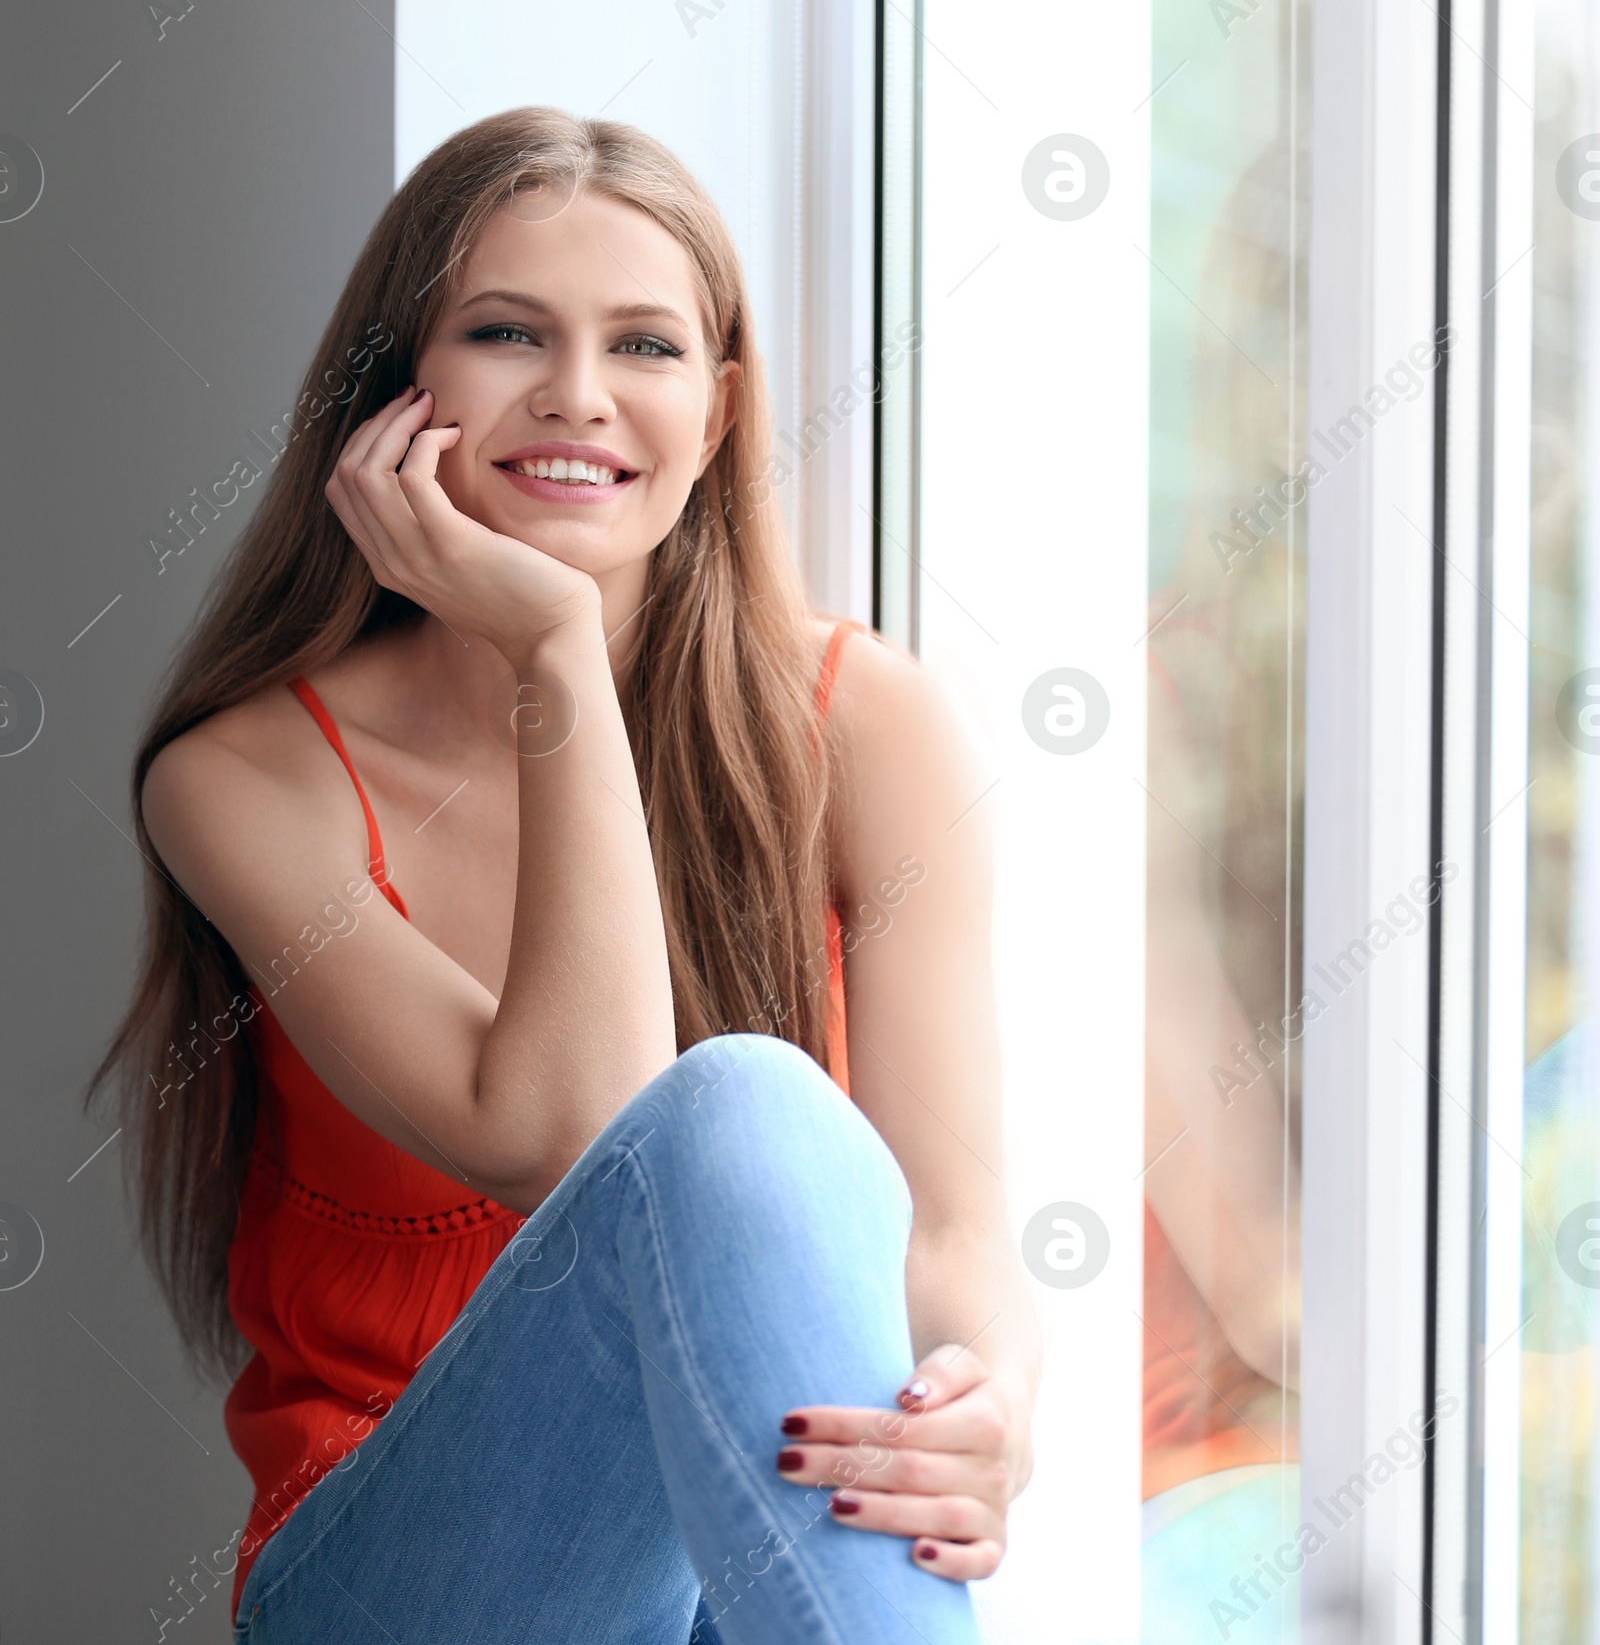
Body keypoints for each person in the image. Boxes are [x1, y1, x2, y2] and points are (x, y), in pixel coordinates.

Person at [90, 109, 1039, 1642]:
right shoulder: (246, 778)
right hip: (410, 1580)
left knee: (768, 1159)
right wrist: (551, 650)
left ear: (721, 412)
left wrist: (981, 1408)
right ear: (401, 389)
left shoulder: (868, 723)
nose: (579, 398)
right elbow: (576, 1133)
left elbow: (953, 1234)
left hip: (740, 1571)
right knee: (735, 1104)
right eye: (507, 332)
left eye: (648, 348)